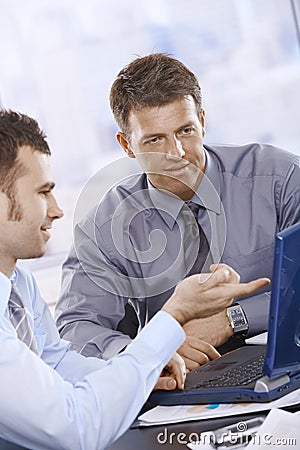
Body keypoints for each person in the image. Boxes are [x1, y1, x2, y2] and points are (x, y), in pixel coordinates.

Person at [0, 110, 269, 450]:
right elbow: (76, 429)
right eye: (42, 193)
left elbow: (58, 363)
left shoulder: (17, 281)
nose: (56, 210)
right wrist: (174, 317)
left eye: (185, 130)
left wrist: (145, 368)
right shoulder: (105, 223)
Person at [55, 53, 300, 372]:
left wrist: (233, 319)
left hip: (286, 365)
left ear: (202, 120)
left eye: (185, 131)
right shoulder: (103, 228)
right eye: (155, 139)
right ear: (126, 145)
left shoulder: (280, 180)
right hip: (178, 389)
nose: (177, 154)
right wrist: (152, 354)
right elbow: (77, 328)